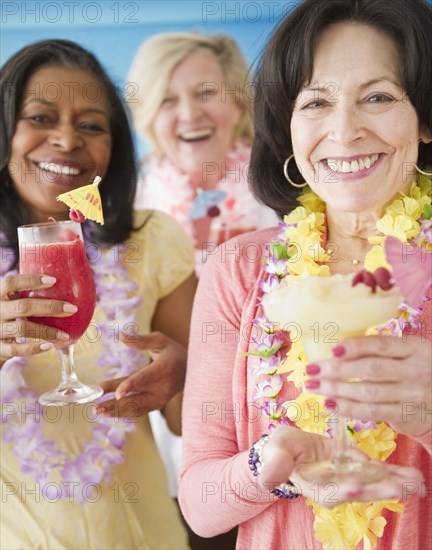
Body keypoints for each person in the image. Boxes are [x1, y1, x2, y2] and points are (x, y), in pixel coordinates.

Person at [178, 1, 432, 549]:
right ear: (288, 126)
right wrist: (269, 465)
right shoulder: (239, 270)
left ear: (425, 118)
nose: (344, 131)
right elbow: (199, 507)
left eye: (379, 97)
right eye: (316, 102)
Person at [0, 39, 197, 549]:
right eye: (41, 118)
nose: (67, 140)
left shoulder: (153, 240)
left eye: (91, 125)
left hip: (141, 535)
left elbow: (188, 425)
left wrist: (183, 374)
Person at [127, 31, 279, 272]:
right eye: (167, 100)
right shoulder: (129, 207)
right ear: (150, 118)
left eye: (205, 93)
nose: (189, 114)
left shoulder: (282, 190)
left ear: (238, 104)